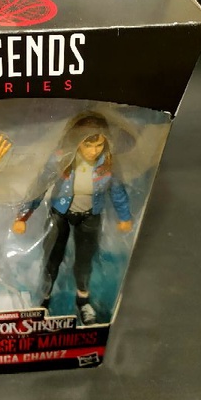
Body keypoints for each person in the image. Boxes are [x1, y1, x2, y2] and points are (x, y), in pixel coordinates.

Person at [12, 112, 133, 325]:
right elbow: (40, 186)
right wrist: (23, 215)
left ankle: (83, 300)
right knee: (52, 258)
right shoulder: (61, 159)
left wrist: (124, 216)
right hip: (60, 214)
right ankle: (44, 298)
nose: (94, 151)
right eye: (88, 145)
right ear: (76, 142)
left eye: (99, 145)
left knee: (84, 261)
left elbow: (118, 191)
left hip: (90, 216)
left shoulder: (108, 163)